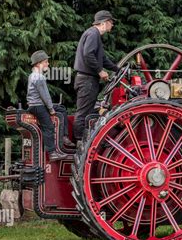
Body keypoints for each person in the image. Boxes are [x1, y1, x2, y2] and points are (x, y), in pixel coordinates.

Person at [73, 10, 119, 142]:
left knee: (86, 112)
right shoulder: (93, 34)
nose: (112, 25)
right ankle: (80, 143)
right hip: (87, 80)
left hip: (87, 79)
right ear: (103, 23)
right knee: (83, 113)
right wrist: (100, 71)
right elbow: (88, 55)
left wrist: (117, 69)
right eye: (111, 22)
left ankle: (82, 143)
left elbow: (102, 59)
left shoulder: (93, 34)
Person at [27, 50, 76, 161]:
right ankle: (52, 153)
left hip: (35, 104)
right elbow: (45, 96)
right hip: (38, 106)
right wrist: (51, 109)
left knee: (62, 109)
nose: (48, 64)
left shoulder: (32, 76)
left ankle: (64, 136)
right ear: (39, 63)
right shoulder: (39, 77)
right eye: (46, 62)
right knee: (48, 127)